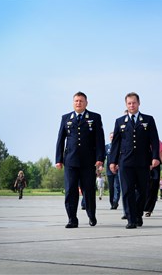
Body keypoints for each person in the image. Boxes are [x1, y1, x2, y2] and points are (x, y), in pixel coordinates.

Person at [109, 92, 160, 229]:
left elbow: (154, 140)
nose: (132, 105)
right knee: (127, 191)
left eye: (134, 103)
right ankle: (131, 219)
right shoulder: (120, 121)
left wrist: (155, 157)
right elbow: (116, 144)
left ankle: (138, 214)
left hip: (143, 161)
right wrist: (112, 162)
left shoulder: (148, 120)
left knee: (143, 191)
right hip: (125, 161)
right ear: (126, 104)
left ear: (139, 103)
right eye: (129, 103)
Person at [55, 91, 105, 228]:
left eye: (81, 101)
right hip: (70, 161)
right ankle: (72, 219)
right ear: (73, 103)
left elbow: (99, 140)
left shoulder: (94, 118)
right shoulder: (66, 118)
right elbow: (60, 140)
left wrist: (100, 158)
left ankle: (91, 215)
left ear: (86, 103)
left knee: (88, 190)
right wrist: (58, 159)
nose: (78, 103)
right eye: (76, 101)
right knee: (70, 190)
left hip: (88, 161)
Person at [144, 139, 162, 217]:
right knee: (144, 187)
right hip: (143, 166)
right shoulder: (141, 139)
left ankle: (149, 209)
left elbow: (161, 155)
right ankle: (142, 206)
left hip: (155, 167)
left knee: (153, 188)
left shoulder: (157, 142)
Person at [105, 132, 121, 210]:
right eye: (111, 137)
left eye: (113, 137)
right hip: (109, 170)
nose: (112, 138)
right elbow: (102, 157)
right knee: (111, 187)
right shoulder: (107, 147)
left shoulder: (120, 146)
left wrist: (118, 165)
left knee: (117, 187)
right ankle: (112, 202)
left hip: (118, 169)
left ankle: (115, 202)